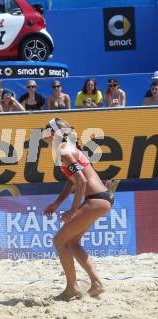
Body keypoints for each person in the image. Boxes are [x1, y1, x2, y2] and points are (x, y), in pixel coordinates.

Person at [43, 117, 113, 301]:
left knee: (59, 241)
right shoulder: (67, 149)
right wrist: (57, 203)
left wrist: (73, 210)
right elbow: (73, 181)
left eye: (45, 128)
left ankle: (71, 288)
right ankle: (97, 283)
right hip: (101, 199)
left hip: (95, 200)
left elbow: (81, 182)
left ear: (54, 133)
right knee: (72, 242)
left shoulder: (64, 151)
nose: (42, 131)